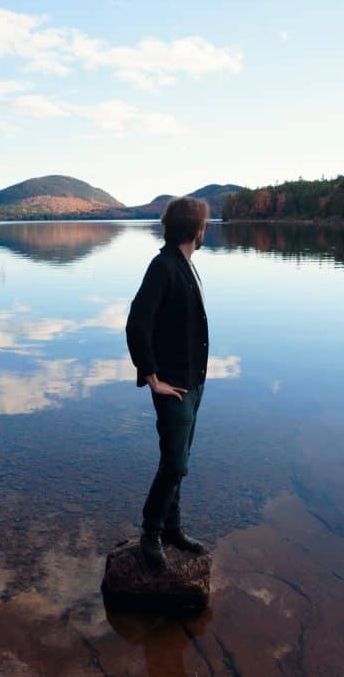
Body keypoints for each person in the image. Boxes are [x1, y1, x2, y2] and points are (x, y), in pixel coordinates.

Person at [126, 197, 211, 570]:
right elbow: (136, 324)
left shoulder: (186, 266)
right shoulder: (163, 267)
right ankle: (150, 532)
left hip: (193, 383)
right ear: (196, 230)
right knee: (175, 463)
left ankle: (173, 527)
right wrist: (151, 377)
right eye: (204, 226)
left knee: (182, 460)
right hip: (172, 385)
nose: (204, 231)